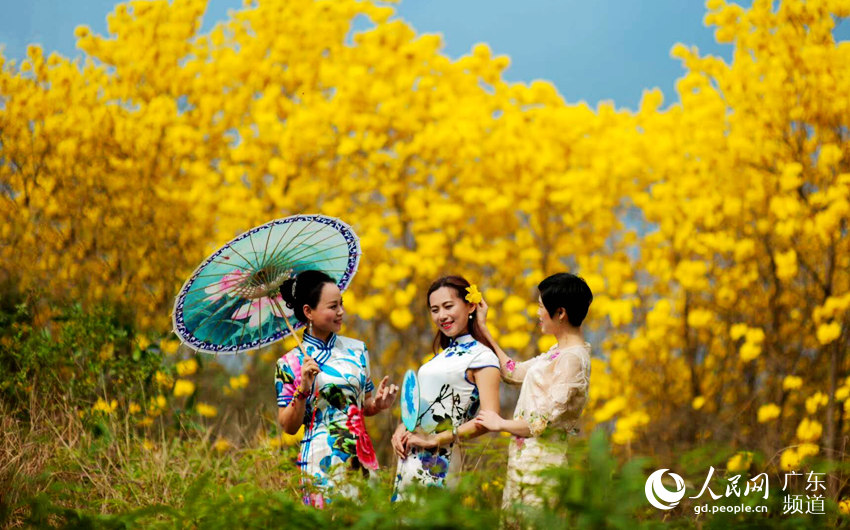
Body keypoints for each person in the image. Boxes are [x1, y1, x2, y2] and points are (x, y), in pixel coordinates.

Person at [275, 270, 397, 507]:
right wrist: (303, 388)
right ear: (308, 311)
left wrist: (378, 404)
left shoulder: (357, 350)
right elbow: (289, 426)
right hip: (320, 457)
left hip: (360, 453)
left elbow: (363, 406)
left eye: (342, 304)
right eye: (333, 306)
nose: (341, 311)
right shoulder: (289, 363)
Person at [473, 272, 592, 509]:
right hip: (525, 463)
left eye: (541, 306)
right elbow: (513, 372)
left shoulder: (572, 360)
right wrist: (483, 329)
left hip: (542, 469)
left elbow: (543, 423)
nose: (537, 313)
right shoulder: (558, 352)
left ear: (560, 313)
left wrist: (500, 424)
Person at [391, 275, 501, 501]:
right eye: (435, 310)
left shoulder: (482, 357)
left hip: (442, 459)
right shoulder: (438, 358)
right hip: (410, 457)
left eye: (448, 306)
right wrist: (402, 428)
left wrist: (436, 439)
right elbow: (424, 408)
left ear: (471, 306)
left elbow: (489, 418)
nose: (441, 315)